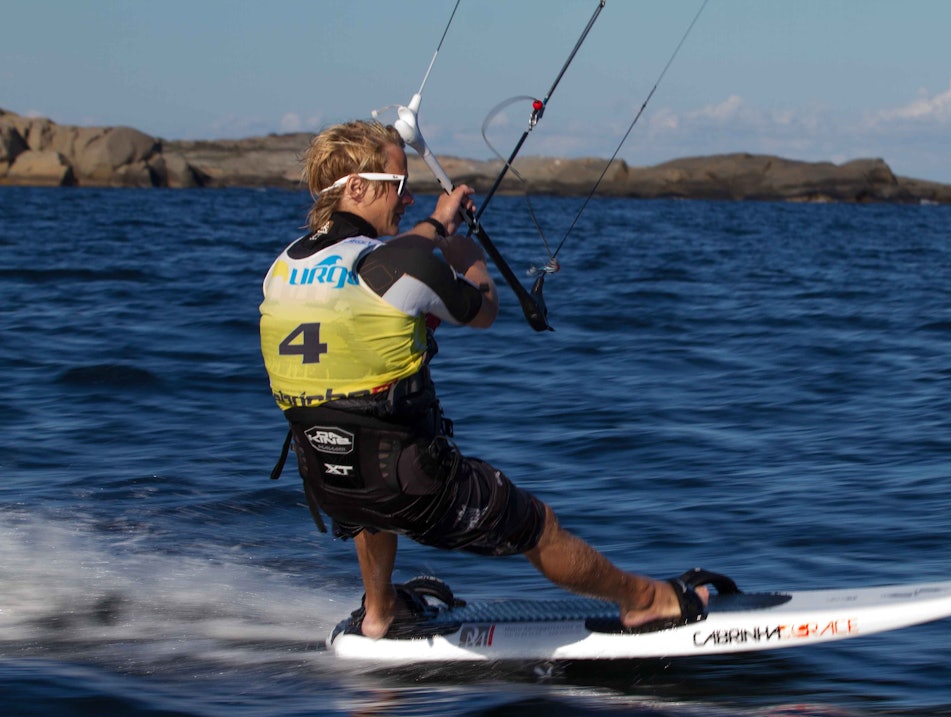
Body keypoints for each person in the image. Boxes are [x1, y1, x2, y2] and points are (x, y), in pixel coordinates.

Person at [260, 120, 716, 639]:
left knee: (366, 483)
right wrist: (471, 261)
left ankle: (379, 611)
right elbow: (484, 311)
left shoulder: (283, 266)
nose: (407, 200)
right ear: (359, 188)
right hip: (413, 486)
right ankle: (647, 601)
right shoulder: (402, 266)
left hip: (328, 483)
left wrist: (436, 225)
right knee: (536, 526)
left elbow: (376, 267)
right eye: (399, 186)